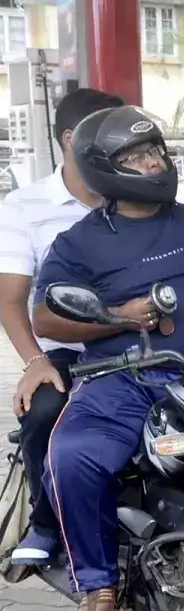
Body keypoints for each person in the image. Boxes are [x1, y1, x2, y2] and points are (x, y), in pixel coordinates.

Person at [32, 105, 184, 611]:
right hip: (122, 381)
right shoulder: (80, 241)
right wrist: (117, 317)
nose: (154, 163)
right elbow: (45, 314)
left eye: (156, 151)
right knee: (71, 458)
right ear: (103, 168)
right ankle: (96, 580)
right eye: (136, 157)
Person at [0, 88, 125, 566]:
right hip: (65, 350)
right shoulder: (27, 206)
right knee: (44, 408)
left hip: (139, 340)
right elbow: (12, 300)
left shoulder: (132, 194)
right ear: (71, 138)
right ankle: (47, 521)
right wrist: (34, 361)